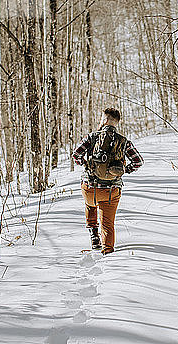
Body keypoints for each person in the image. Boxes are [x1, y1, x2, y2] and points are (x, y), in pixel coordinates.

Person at [73, 108, 144, 254]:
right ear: (116, 123)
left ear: (104, 120)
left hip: (90, 189)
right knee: (107, 223)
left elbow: (76, 155)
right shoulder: (124, 141)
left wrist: (86, 165)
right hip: (110, 191)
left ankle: (94, 235)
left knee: (90, 205)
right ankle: (108, 252)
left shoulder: (91, 137)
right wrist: (124, 171)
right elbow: (138, 161)